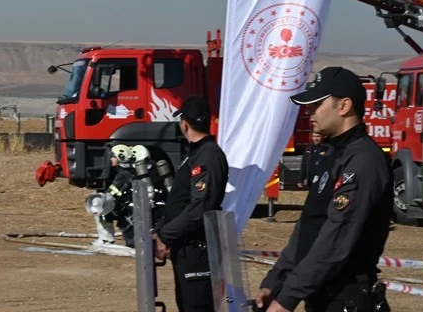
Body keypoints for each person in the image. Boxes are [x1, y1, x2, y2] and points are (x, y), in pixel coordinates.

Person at [254, 67, 393, 312]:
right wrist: (275, 282)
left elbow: (335, 240)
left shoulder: (363, 160)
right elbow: (308, 227)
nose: (309, 112)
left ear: (344, 106)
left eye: (317, 104)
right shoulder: (332, 155)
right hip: (321, 295)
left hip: (345, 298)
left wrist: (288, 298)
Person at [152, 95, 228, 312]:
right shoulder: (196, 154)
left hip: (198, 250)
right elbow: (180, 201)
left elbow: (199, 207)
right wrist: (161, 230)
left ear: (184, 123)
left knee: (197, 306)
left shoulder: (208, 155)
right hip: (185, 246)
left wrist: (166, 235)